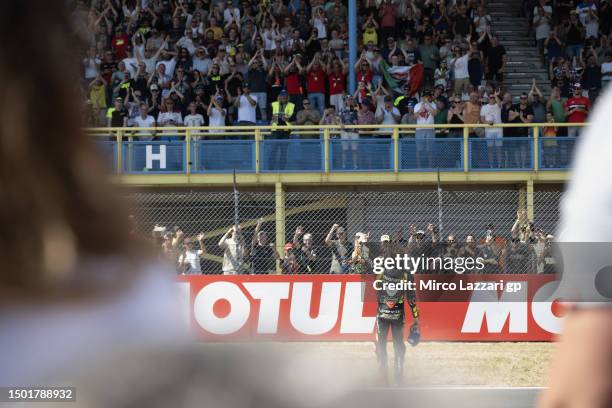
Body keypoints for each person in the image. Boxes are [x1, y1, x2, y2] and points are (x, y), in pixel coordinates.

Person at [373, 234, 419, 385]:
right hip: (398, 314)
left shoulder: (379, 269)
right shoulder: (406, 274)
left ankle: (382, 373)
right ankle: (398, 373)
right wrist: (416, 318)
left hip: (382, 313)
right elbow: (412, 299)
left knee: (380, 343)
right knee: (399, 343)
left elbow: (376, 288)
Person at [413, 90, 438, 168]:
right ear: (422, 97)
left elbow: (434, 113)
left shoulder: (433, 104)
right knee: (419, 150)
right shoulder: (417, 105)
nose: (426, 97)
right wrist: (421, 109)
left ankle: (430, 168)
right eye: (425, 96)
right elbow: (414, 117)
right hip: (419, 129)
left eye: (428, 96)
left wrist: (427, 104)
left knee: (430, 150)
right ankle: (419, 167)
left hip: (430, 129)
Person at [480, 93, 504, 168]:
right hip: (489, 131)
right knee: (490, 149)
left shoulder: (498, 105)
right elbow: (482, 119)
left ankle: (499, 165)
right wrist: (488, 123)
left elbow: (499, 103)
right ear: (488, 98)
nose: (492, 98)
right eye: (491, 97)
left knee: (499, 149)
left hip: (498, 130)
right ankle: (491, 166)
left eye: (493, 97)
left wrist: (496, 95)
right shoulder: (484, 107)